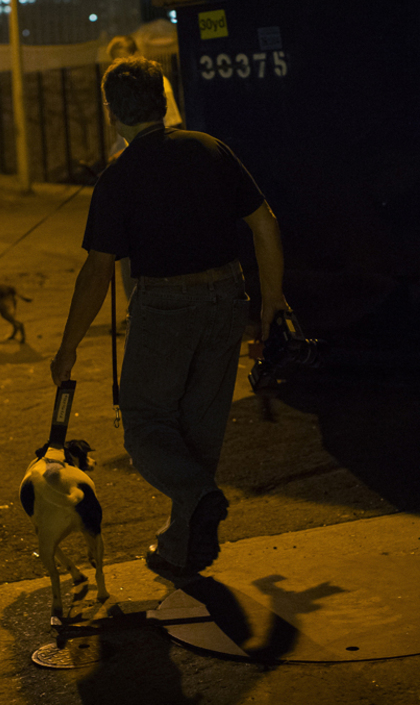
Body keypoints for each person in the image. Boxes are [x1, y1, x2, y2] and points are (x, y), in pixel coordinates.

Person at [50, 56, 287, 579]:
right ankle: (183, 547)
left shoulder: (119, 177)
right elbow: (264, 224)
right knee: (200, 431)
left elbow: (97, 271)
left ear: (113, 113)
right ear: (162, 100)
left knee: (146, 427)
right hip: (229, 299)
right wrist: (273, 302)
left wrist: (68, 347)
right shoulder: (209, 149)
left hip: (164, 308)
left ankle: (199, 501)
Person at [104, 35, 183, 305]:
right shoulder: (119, 86)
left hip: (145, 170)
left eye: (121, 57)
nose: (117, 64)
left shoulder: (157, 85)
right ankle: (136, 305)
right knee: (127, 245)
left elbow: (167, 128)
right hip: (126, 164)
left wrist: (128, 153)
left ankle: (148, 303)